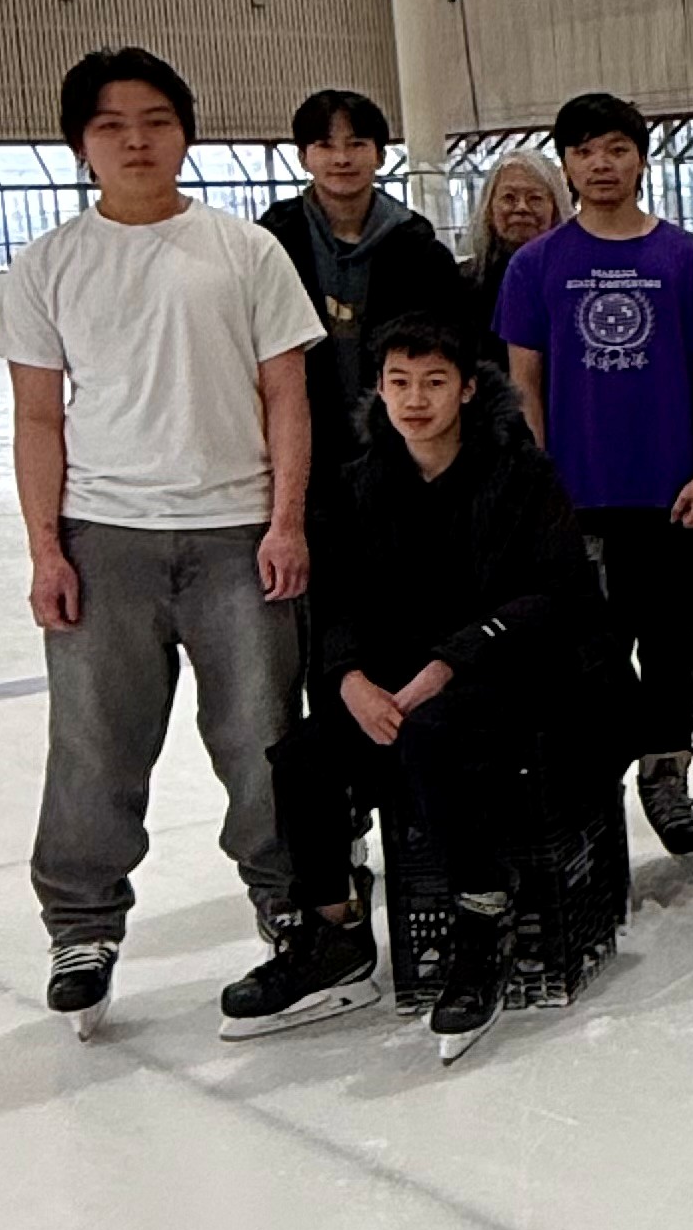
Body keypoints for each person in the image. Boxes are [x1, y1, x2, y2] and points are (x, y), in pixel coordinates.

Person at [0, 48, 324, 1037]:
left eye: (154, 119)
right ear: (80, 144)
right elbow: (39, 421)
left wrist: (287, 519)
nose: (135, 140)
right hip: (109, 538)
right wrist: (47, 548)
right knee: (95, 744)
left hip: (237, 537)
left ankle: (291, 902)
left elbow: (286, 395)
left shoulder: (243, 250)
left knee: (264, 740)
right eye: (109, 124)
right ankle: (83, 923)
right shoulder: (48, 264)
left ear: (184, 128)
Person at [217, 317, 605, 1060]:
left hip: (510, 677)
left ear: (465, 387)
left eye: (433, 382)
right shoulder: (363, 483)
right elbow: (337, 605)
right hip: (391, 684)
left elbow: (556, 595)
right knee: (301, 755)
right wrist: (349, 678)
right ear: (380, 391)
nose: (415, 399)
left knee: (437, 737)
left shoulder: (519, 473)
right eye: (399, 382)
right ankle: (334, 931)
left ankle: (481, 917)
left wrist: (455, 660)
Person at [498, 93, 693, 859]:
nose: (601, 165)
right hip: (579, 504)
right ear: (566, 164)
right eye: (583, 150)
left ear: (640, 158)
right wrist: (545, 491)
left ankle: (666, 771)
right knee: (590, 654)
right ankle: (592, 788)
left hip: (669, 496)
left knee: (674, 646)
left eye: (615, 148)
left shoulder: (687, 259)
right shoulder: (537, 265)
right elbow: (525, 384)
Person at [257, 88, 471, 482]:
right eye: (325, 145)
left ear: (380, 154)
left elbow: (457, 351)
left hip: (403, 450)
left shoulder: (421, 252)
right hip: (298, 450)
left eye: (356, 144)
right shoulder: (269, 245)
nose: (341, 158)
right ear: (304, 157)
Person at [464, 150, 570, 366]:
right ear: (489, 207)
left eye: (535, 198)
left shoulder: (574, 279)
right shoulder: (462, 283)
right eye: (509, 198)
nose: (521, 208)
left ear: (556, 208)